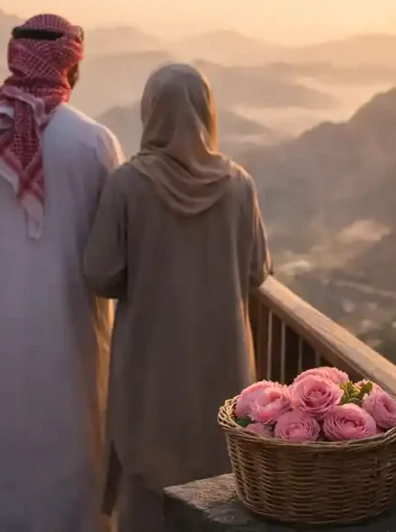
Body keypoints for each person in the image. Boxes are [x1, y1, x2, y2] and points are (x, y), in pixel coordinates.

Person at [0, 14, 124, 531]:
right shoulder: (94, 142)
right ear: (71, 68)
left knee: (1, 440)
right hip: (73, 327)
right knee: (72, 436)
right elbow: (115, 245)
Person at [83, 63, 272, 531]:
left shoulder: (128, 184)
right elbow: (256, 271)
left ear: (151, 112)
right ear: (208, 113)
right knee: (220, 490)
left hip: (148, 366)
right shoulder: (239, 185)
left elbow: (101, 274)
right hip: (222, 364)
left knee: (146, 489)